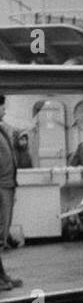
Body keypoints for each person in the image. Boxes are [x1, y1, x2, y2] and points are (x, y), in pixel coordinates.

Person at [0, 99, 22, 290]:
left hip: (7, 185)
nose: (4, 111)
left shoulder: (2, 130)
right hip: (1, 186)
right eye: (1, 107)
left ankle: (2, 275)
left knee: (2, 233)